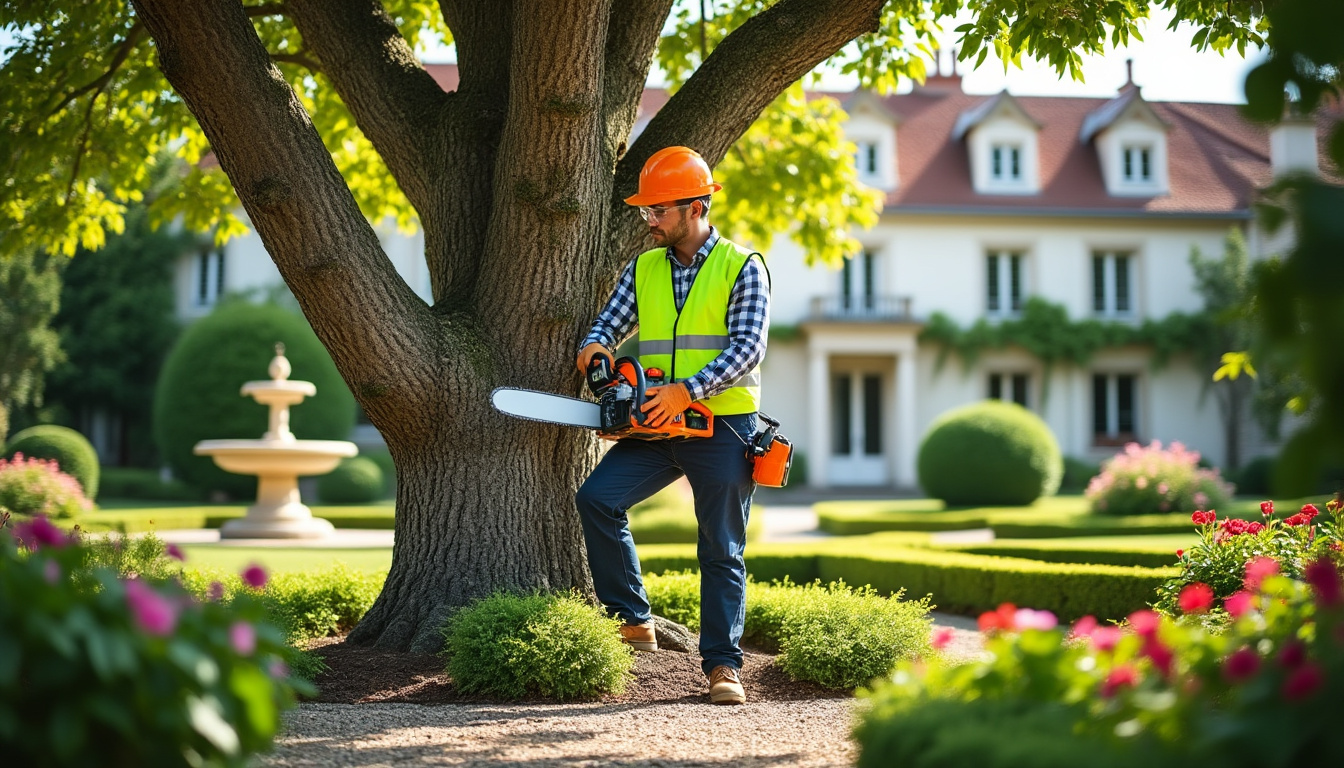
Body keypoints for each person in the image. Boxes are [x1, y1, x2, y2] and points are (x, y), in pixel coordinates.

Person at [574, 145, 769, 706]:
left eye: (658, 211)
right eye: (647, 211)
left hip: (723, 425)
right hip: (657, 426)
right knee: (598, 499)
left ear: (695, 206)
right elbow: (610, 321)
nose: (650, 221)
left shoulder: (741, 265)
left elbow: (747, 348)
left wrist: (687, 389)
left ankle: (723, 668)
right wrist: (595, 347)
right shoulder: (645, 267)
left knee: (721, 546)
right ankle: (633, 619)